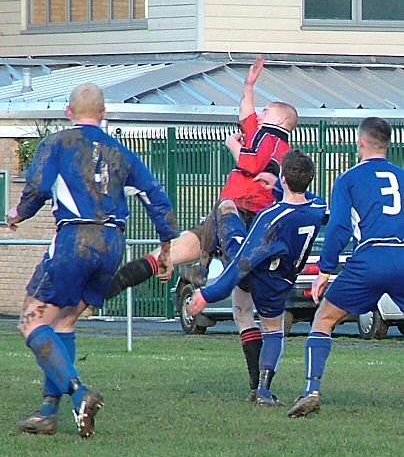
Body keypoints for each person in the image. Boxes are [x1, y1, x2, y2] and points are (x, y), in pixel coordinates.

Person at [106, 56, 299, 399]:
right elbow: (245, 114)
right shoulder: (262, 133)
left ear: (281, 120)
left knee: (200, 261)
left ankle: (184, 272)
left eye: (268, 110)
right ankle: (142, 274)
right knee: (237, 306)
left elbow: (253, 164)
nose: (260, 113)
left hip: (244, 215)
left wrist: (233, 148)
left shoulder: (275, 138)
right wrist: (249, 86)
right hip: (231, 211)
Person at [8, 82, 179, 437]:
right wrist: (165, 244)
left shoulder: (57, 142)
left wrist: (19, 213)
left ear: (68, 112)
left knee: (29, 322)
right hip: (113, 243)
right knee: (65, 323)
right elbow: (155, 195)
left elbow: (39, 185)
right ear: (103, 114)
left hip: (75, 239)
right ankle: (47, 412)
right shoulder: (121, 152)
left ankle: (79, 393)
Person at [188, 150, 326, 406]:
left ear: (284, 177)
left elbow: (242, 263)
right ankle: (263, 390)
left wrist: (206, 294)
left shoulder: (270, 218)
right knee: (273, 331)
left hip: (255, 272)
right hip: (282, 281)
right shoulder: (318, 208)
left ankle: (203, 264)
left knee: (225, 205)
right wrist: (278, 187)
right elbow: (311, 201)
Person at [288, 117, 404, 418]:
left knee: (324, 319)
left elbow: (339, 227)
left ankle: (311, 390)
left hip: (369, 258)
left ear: (361, 142)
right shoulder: (402, 177)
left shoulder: (349, 179)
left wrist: (324, 271)